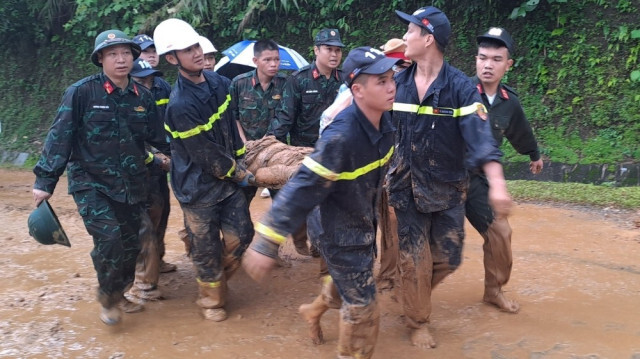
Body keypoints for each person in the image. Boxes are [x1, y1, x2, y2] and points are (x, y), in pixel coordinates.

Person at [243, 46, 400, 359]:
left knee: (347, 286)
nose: (392, 86)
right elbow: (301, 188)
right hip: (338, 230)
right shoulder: (340, 138)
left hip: (361, 218)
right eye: (381, 81)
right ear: (357, 90)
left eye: (391, 78)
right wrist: (266, 242)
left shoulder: (385, 120)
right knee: (364, 308)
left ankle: (312, 311)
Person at [389, 6, 512, 348]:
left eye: (410, 31)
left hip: (447, 190)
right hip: (404, 187)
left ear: (428, 39)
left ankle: (411, 290)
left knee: (449, 257)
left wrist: (497, 184)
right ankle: (417, 320)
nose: (405, 37)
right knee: (414, 258)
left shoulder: (461, 89)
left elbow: (481, 139)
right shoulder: (395, 82)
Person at [32, 29, 170, 326]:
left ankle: (119, 291)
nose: (121, 59)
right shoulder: (82, 92)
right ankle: (108, 297)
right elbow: (60, 137)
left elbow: (160, 138)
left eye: (126, 54)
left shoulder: (142, 97)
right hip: (90, 182)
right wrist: (45, 181)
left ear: (134, 58)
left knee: (133, 244)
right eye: (113, 54)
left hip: (132, 184)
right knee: (110, 240)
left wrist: (180, 156)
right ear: (100, 59)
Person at [153, 18, 255, 322]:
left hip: (228, 181)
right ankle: (211, 301)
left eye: (196, 45)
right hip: (197, 188)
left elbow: (230, 129)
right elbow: (205, 154)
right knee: (206, 246)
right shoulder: (180, 104)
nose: (196, 53)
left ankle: (213, 275)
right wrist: (241, 174)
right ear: (172, 58)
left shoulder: (221, 84)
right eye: (187, 50)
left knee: (242, 236)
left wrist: (243, 157)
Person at [466, 27, 544, 313]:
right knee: (434, 246)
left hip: (478, 181)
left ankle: (494, 290)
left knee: (500, 232)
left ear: (507, 65)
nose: (488, 65)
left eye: (496, 59)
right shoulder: (458, 92)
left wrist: (533, 155)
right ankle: (411, 296)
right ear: (475, 60)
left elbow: (519, 131)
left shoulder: (509, 102)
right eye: (483, 58)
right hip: (446, 180)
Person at [267, 28, 345, 257]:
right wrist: (272, 148)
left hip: (336, 151)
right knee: (310, 203)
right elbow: (286, 118)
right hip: (306, 153)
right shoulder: (299, 80)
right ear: (316, 50)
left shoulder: (344, 80)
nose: (334, 54)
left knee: (334, 202)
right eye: (329, 49)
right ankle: (310, 241)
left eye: (338, 50)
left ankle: (323, 247)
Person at [122, 59, 172, 305]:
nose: (148, 85)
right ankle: (141, 284)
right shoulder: (120, 100)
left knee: (160, 215)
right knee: (142, 228)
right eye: (142, 81)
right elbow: (127, 143)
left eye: (150, 80)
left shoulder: (158, 92)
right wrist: (155, 157)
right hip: (132, 174)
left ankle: (155, 266)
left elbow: (163, 132)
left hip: (157, 171)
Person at [132, 34, 176, 274]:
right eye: (144, 51)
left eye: (153, 50)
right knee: (144, 217)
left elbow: (171, 121)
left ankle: (157, 259)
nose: (151, 54)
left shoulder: (162, 86)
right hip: (139, 164)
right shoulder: (125, 91)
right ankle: (143, 269)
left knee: (162, 208)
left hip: (162, 163)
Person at [229, 39, 286, 202]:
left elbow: (287, 117)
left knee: (282, 202)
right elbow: (233, 117)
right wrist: (244, 143)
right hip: (247, 153)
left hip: (276, 153)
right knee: (241, 202)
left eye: (276, 59)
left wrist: (269, 145)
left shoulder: (285, 84)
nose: (273, 64)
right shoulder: (239, 83)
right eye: (267, 60)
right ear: (255, 61)